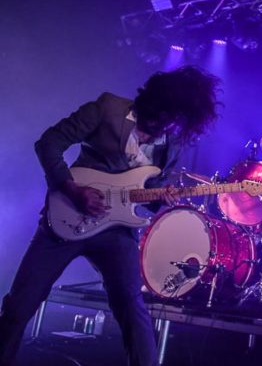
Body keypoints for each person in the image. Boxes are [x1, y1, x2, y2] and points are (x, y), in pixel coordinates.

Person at [0, 65, 222, 366]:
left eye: (175, 120)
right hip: (68, 216)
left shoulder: (173, 144)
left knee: (132, 307)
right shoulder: (108, 108)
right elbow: (48, 143)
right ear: (155, 101)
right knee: (20, 305)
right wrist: (72, 189)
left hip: (117, 231)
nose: (166, 125)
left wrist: (162, 197)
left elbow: (150, 189)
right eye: (163, 116)